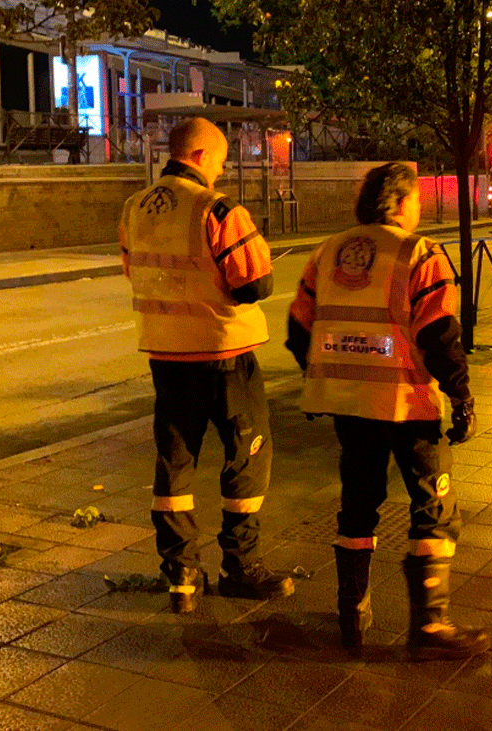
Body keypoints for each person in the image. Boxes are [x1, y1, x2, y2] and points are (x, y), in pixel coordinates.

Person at [285, 162, 489, 660]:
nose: (419, 207)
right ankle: (431, 627)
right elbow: (439, 333)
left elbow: (298, 330)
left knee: (357, 503)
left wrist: (332, 373)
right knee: (432, 506)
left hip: (349, 404)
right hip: (407, 401)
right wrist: (461, 394)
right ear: (399, 203)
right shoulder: (418, 252)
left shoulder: (328, 251)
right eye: (416, 199)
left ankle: (352, 617)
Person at [119, 117, 294, 613]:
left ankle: (181, 573)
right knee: (247, 455)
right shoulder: (217, 208)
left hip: (165, 356)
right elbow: (253, 285)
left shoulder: (134, 208)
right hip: (224, 355)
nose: (221, 169)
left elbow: (135, 270)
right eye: (219, 160)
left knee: (174, 463)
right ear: (199, 156)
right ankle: (240, 566)